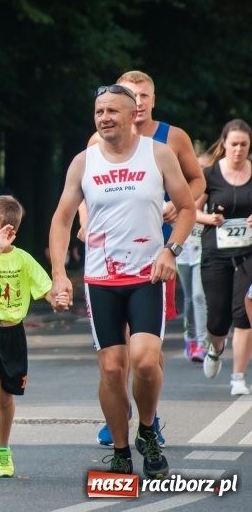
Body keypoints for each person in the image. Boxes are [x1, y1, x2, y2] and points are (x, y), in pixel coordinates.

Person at [49, 84, 195, 478]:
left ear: (134, 115)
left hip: (148, 275)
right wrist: (60, 274)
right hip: (102, 280)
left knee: (146, 361)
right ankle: (120, 449)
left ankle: (147, 429)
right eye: (99, 112)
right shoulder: (84, 162)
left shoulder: (159, 154)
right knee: (112, 369)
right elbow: (62, 218)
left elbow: (185, 208)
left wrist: (172, 250)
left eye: (113, 110)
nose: (104, 117)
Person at [83, 71, 205, 448]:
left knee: (146, 350)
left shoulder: (171, 138)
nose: (137, 101)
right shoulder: (98, 139)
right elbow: (84, 189)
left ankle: (150, 416)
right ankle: (119, 417)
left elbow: (196, 183)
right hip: (109, 259)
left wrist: (175, 205)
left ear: (152, 99)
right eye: (130, 94)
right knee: (114, 352)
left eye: (143, 95)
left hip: (159, 252)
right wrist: (85, 226)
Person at [0, 195, 60, 478]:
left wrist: (57, 298)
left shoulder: (23, 259)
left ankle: (3, 448)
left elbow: (45, 287)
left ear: (9, 232)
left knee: (5, 397)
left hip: (13, 332)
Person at [195, 119, 252, 395]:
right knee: (218, 318)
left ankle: (238, 377)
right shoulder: (209, 175)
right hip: (216, 253)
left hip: (249, 254)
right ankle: (216, 348)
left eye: (244, 145)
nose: (238, 150)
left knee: (244, 312)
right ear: (224, 144)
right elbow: (189, 211)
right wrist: (209, 217)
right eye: (234, 144)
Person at [177, 153, 211, 363]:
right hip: (183, 251)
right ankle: (189, 337)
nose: (202, 170)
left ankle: (201, 344)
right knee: (189, 299)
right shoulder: (182, 190)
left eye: (206, 167)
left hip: (203, 252)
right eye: (199, 166)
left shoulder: (215, 193)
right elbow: (184, 212)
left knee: (199, 296)